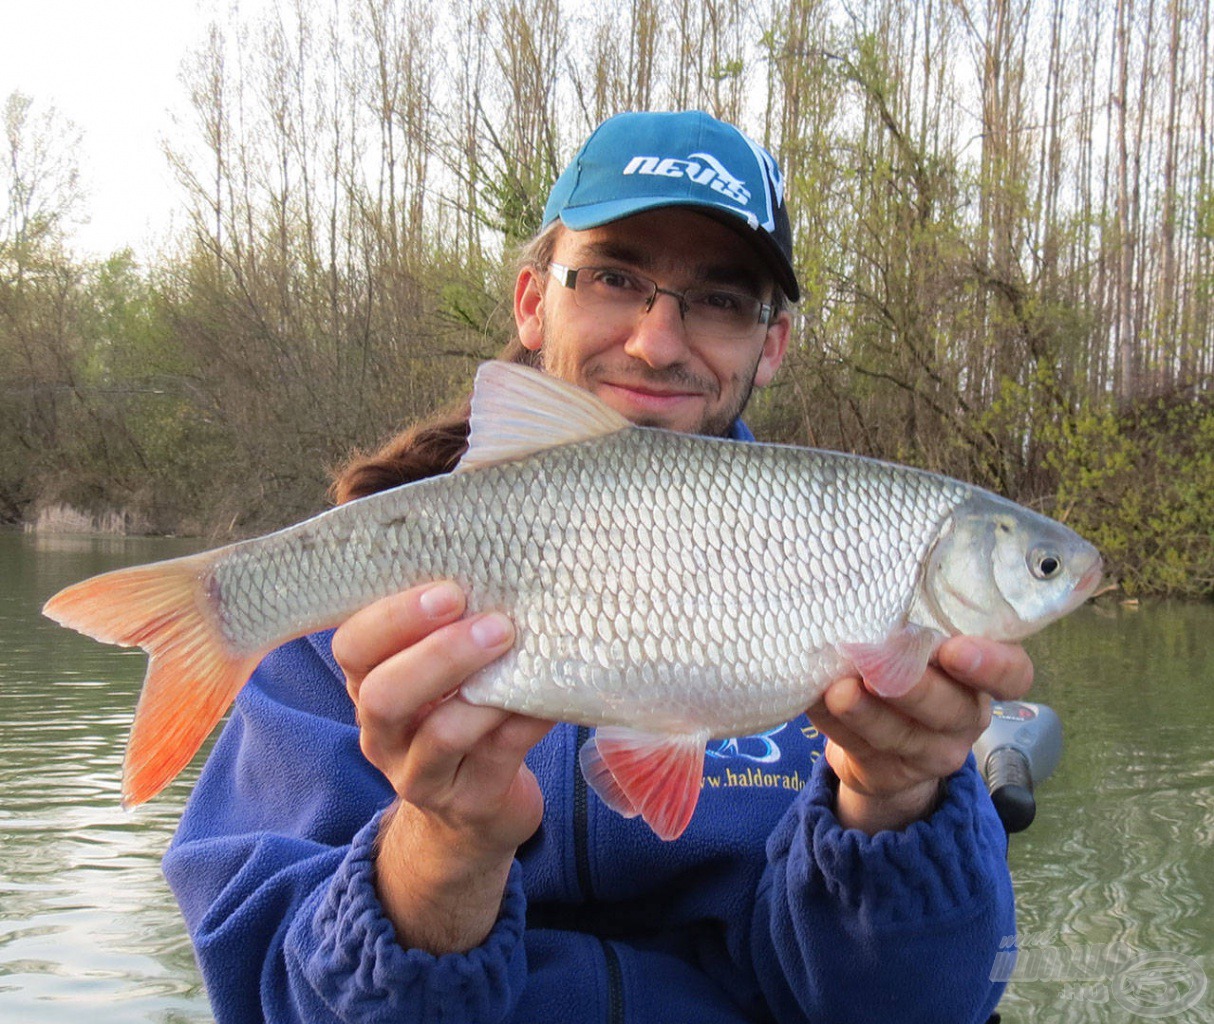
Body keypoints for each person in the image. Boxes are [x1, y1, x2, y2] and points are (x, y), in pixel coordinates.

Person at [163, 110, 1032, 1023]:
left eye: (721, 300)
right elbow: (259, 991)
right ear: (535, 301)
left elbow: (916, 1010)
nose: (658, 342)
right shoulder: (349, 611)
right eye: (616, 278)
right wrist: (442, 854)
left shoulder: (843, 579)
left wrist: (893, 805)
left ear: (769, 346)